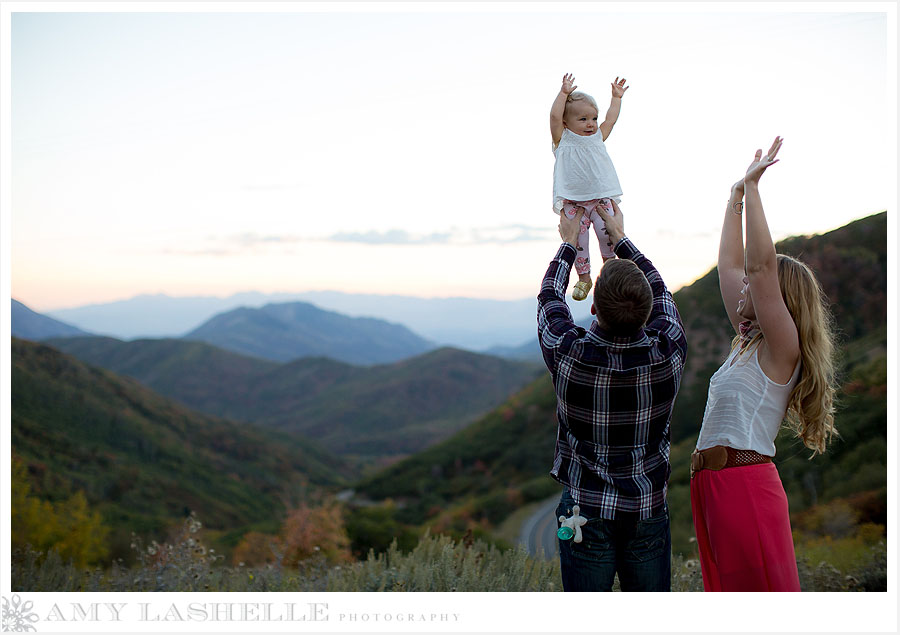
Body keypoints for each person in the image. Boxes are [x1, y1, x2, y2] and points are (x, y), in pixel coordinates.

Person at [690, 137, 838, 592]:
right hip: (712, 488)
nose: (741, 291)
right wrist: (733, 199)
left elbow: (758, 268)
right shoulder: (747, 341)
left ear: (778, 298)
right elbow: (730, 265)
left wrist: (755, 190)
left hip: (744, 487)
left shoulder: (781, 348)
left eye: (753, 289)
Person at [537, 200, 687, 592]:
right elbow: (661, 289)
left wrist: (570, 244)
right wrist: (620, 238)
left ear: (594, 307)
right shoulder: (668, 353)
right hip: (647, 508)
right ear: (647, 310)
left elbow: (550, 300)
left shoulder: (570, 355)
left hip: (584, 511)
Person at [550, 73, 629, 301]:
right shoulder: (562, 139)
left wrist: (616, 98)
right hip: (574, 202)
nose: (591, 124)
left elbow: (610, 120)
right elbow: (554, 116)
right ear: (566, 123)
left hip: (601, 198)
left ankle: (609, 270)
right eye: (583, 119)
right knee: (578, 241)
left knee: (608, 235)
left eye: (593, 118)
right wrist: (563, 94)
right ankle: (584, 278)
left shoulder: (597, 137)